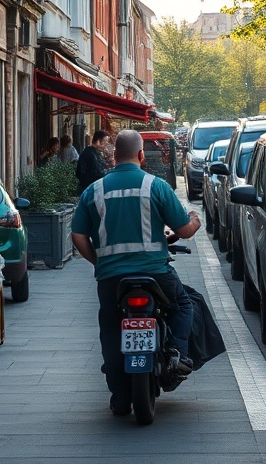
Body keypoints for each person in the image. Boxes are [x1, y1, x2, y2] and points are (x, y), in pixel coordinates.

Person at [71, 129, 201, 416]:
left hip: (112, 278)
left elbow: (78, 235)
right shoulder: (155, 187)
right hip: (155, 273)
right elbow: (183, 230)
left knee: (110, 327)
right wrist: (195, 221)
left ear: (113, 156)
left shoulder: (94, 190)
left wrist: (99, 262)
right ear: (141, 155)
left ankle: (119, 395)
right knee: (182, 304)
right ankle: (175, 356)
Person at [76, 130, 110, 194]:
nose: (106, 144)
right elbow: (98, 173)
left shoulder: (92, 152)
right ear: (98, 141)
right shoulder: (91, 154)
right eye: (105, 141)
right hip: (89, 189)